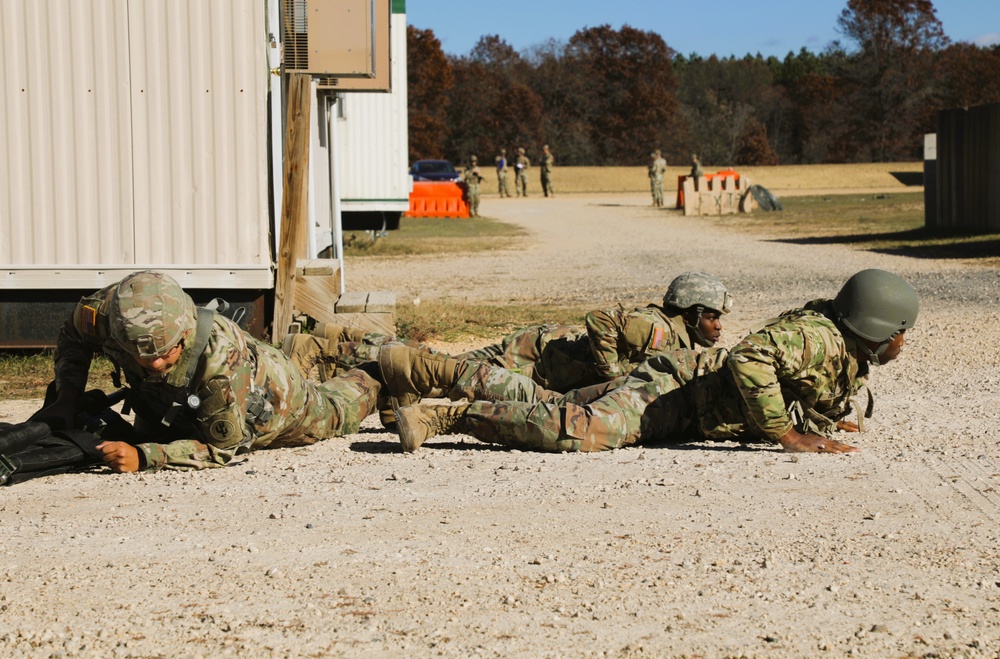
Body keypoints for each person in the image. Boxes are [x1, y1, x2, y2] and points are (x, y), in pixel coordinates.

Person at [386, 269, 919, 455]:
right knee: (575, 430)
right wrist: (786, 435)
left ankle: (422, 387)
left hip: (677, 393)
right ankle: (446, 415)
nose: (901, 343)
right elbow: (752, 357)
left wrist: (821, 422)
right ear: (874, 329)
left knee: (554, 405)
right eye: (900, 333)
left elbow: (799, 384)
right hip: (676, 395)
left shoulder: (842, 346)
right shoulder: (817, 338)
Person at [30, 271, 381, 472]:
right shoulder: (110, 313)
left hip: (280, 402)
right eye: (139, 355)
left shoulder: (219, 362)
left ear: (185, 330)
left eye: (166, 353)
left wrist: (146, 456)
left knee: (339, 409)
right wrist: (67, 396)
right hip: (176, 405)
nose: (153, 363)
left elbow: (222, 448)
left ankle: (379, 368)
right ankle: (312, 347)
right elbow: (72, 338)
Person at [294, 273, 731, 408]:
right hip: (533, 358)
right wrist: (612, 372)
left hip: (540, 358)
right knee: (438, 371)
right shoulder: (656, 328)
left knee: (435, 367)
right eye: (713, 318)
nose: (718, 328)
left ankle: (338, 342)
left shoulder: (676, 339)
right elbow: (599, 318)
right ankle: (330, 348)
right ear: (692, 314)